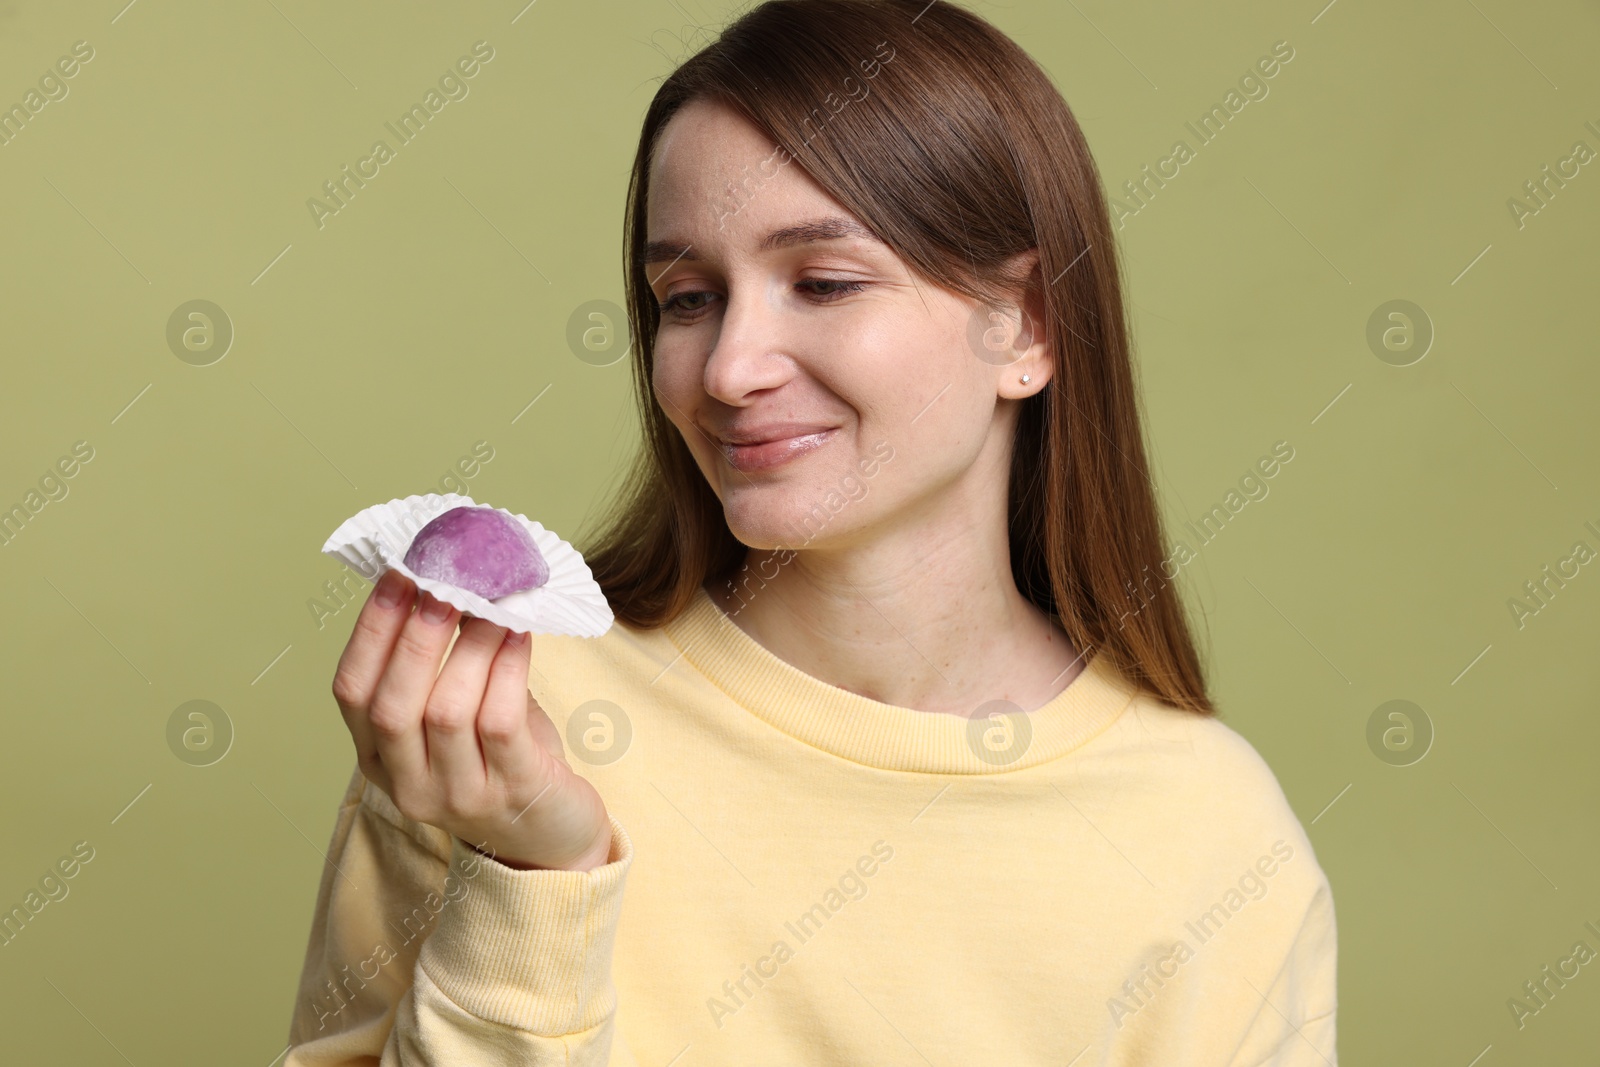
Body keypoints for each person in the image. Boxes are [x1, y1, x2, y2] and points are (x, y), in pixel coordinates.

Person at [284, 1, 1337, 1062]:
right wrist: (532, 874)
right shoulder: (504, 714)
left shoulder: (1209, 836)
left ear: (1023, 326)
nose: (731, 368)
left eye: (823, 282)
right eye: (686, 298)